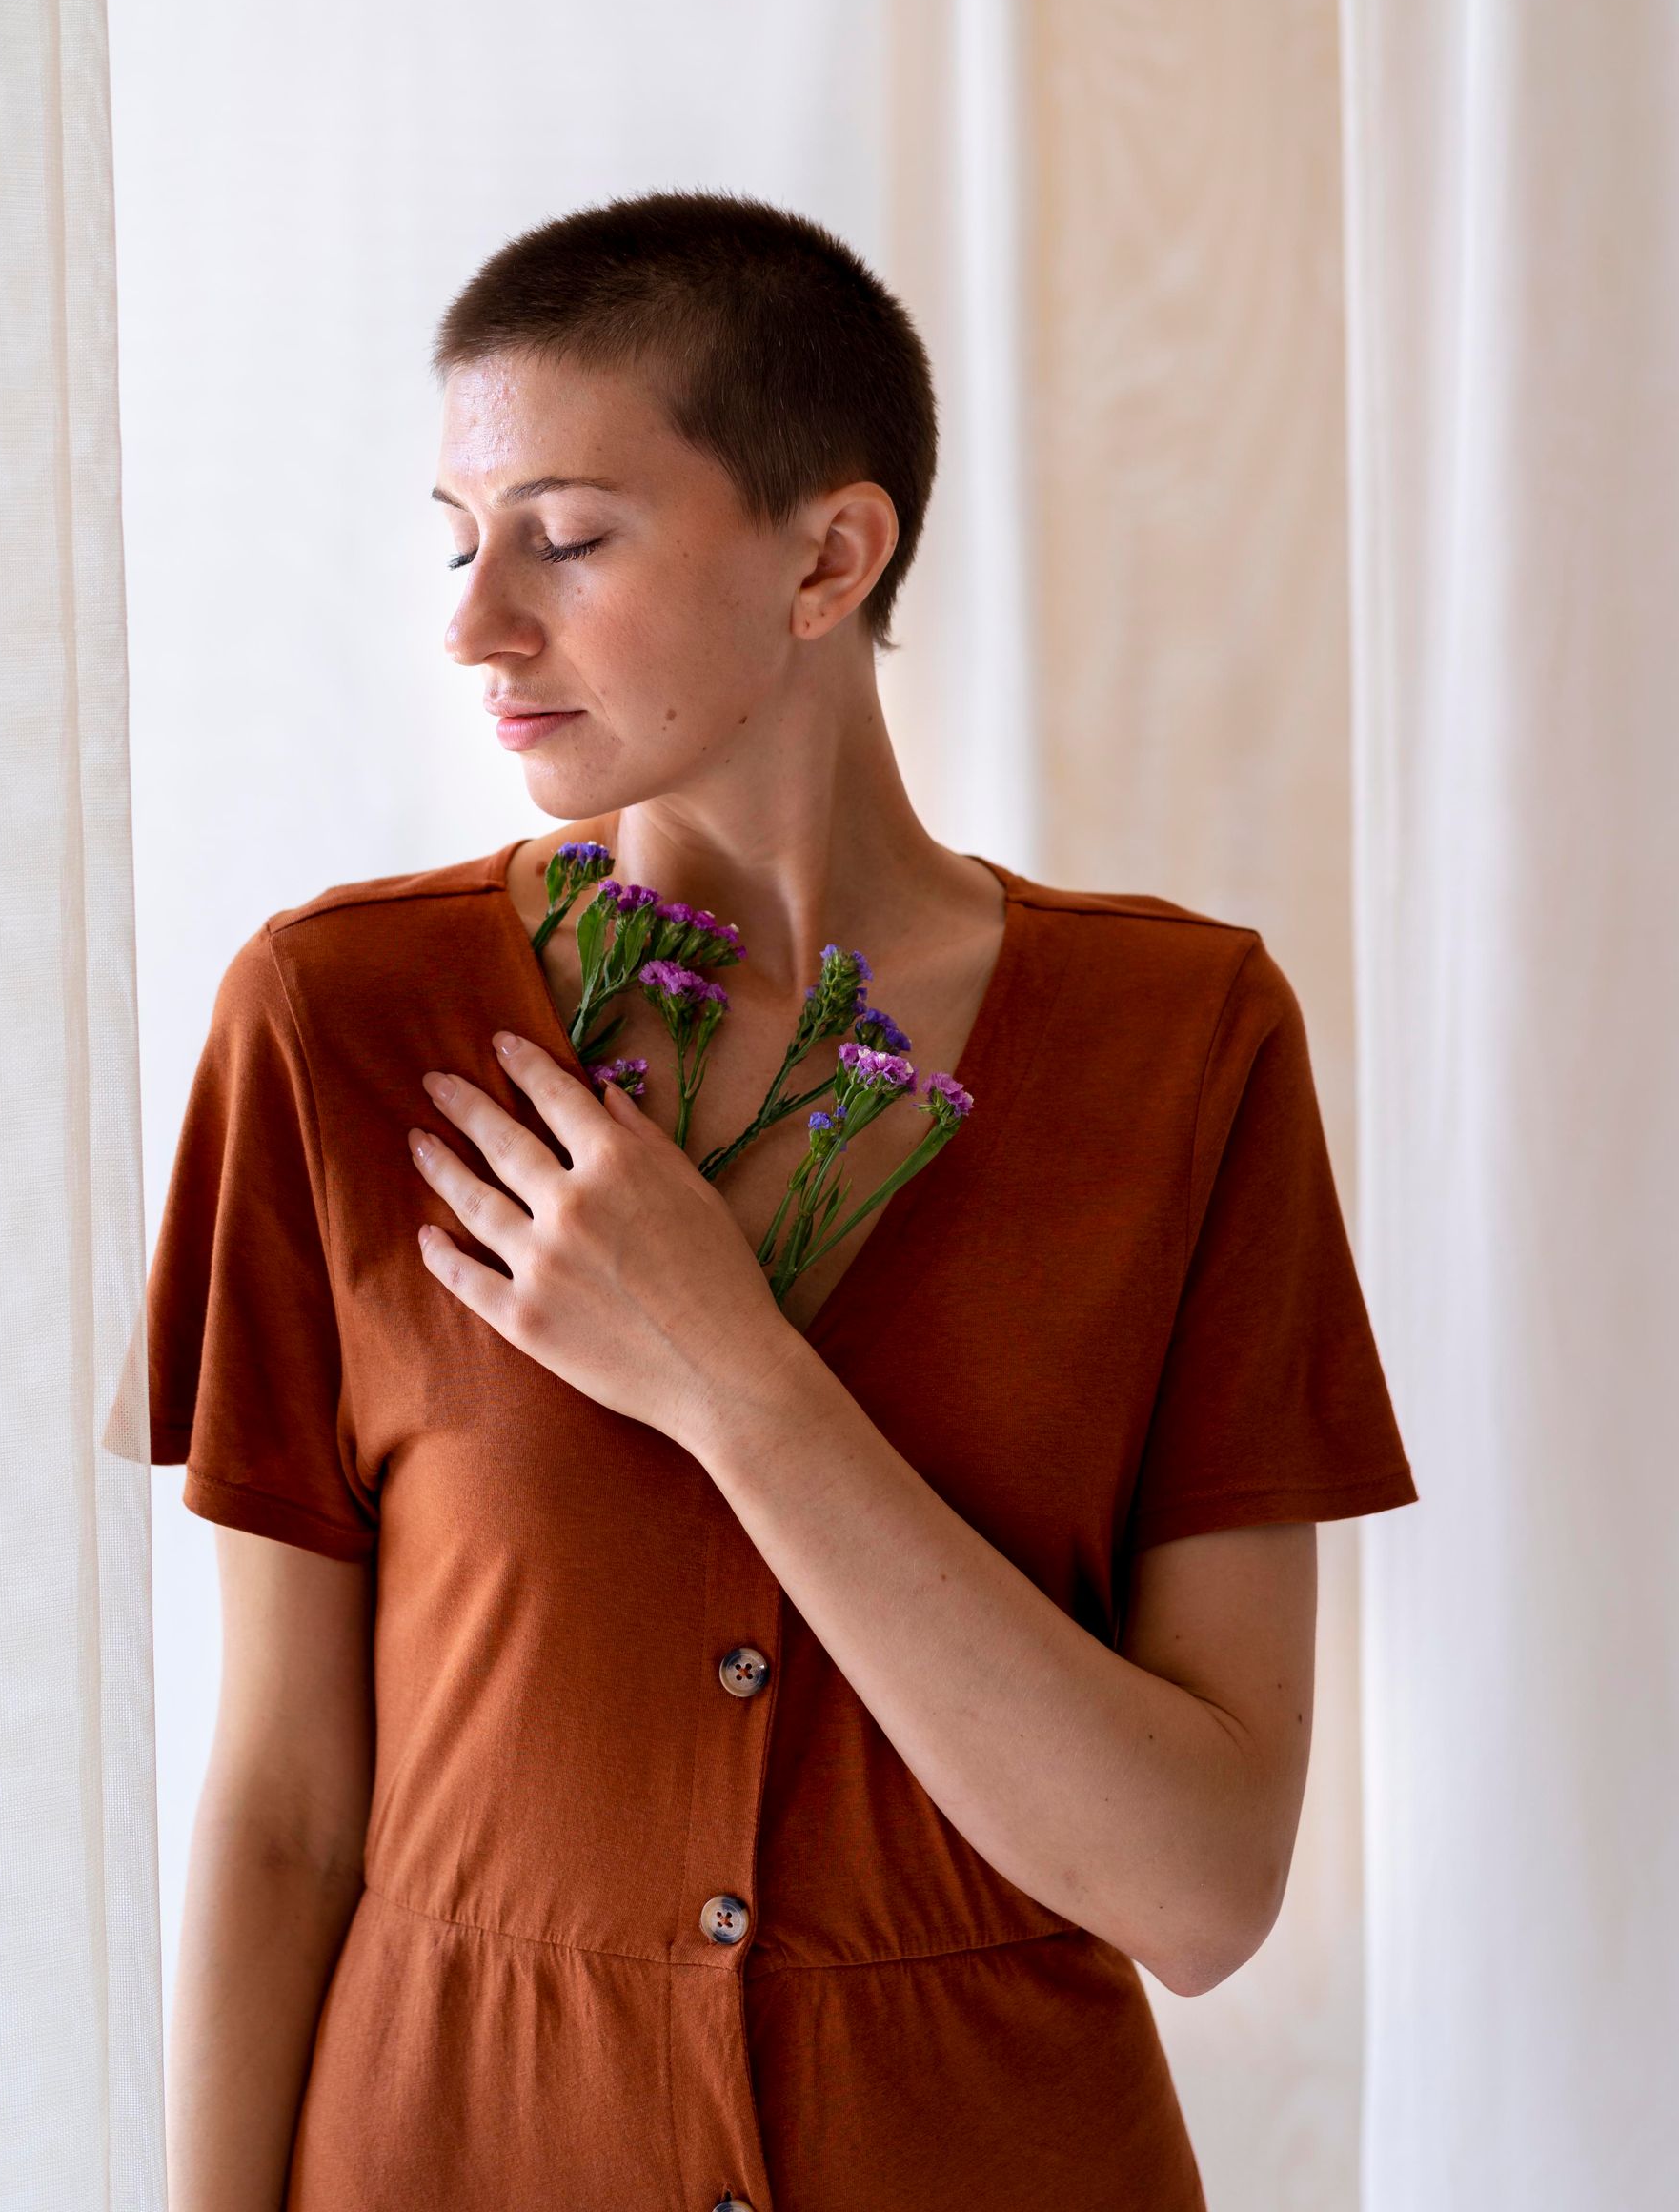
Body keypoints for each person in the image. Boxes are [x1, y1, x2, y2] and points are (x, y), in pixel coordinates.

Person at [147, 191, 1417, 2212]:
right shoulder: (342, 1027)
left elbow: (1197, 1890)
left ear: (830, 553)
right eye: (460, 542)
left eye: (567, 537)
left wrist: (731, 1376)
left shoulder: (1184, 1045)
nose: (479, 623)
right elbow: (288, 1808)